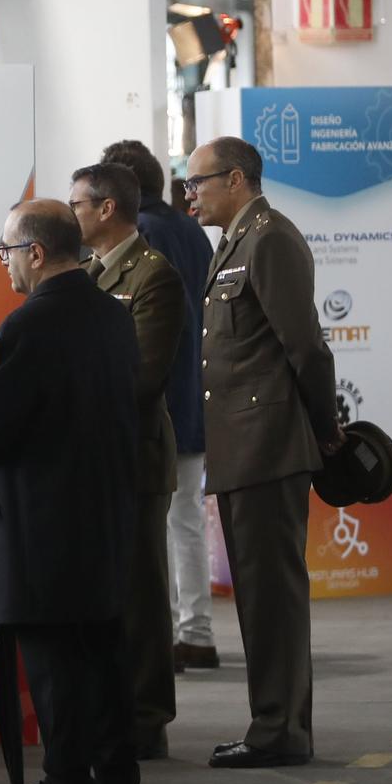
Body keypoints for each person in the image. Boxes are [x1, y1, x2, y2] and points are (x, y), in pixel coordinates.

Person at [0, 200, 142, 784]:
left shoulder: (29, 324)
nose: (2, 262)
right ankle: (117, 778)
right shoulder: (113, 315)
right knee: (103, 649)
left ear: (36, 253)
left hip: (42, 519)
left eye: (7, 250)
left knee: (54, 657)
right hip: (106, 511)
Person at [183, 136, 339, 770]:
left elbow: (305, 348)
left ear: (237, 180)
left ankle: (281, 729)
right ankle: (272, 722)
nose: (189, 194)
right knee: (256, 591)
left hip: (269, 443)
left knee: (271, 592)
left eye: (198, 182)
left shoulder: (271, 238)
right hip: (243, 445)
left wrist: (325, 433)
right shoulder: (235, 240)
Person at [71, 162, 183, 759]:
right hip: (89, 461)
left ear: (107, 208)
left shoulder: (152, 278)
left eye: (79, 204)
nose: (73, 215)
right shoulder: (86, 274)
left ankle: (146, 717)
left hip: (134, 459)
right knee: (102, 592)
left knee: (140, 594)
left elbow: (140, 376)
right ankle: (107, 708)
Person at [102, 139, 218, 672]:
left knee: (151, 529)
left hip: (151, 404)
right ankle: (196, 632)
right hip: (193, 394)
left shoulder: (140, 238)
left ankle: (168, 635)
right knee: (186, 521)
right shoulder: (193, 231)